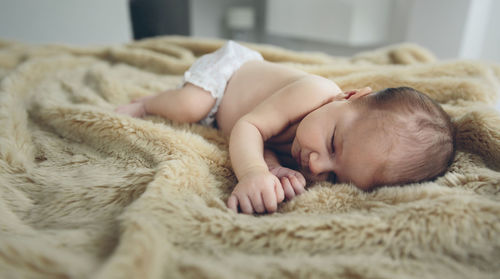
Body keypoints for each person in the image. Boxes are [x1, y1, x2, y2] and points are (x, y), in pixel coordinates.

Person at [116, 41, 455, 214]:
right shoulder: (315, 92)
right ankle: (147, 102)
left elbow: (268, 142)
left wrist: (274, 169)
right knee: (190, 106)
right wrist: (251, 174)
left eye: (335, 177)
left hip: (246, 114)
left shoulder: (314, 144)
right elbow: (249, 127)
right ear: (348, 96)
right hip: (227, 77)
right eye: (334, 145)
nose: (317, 165)